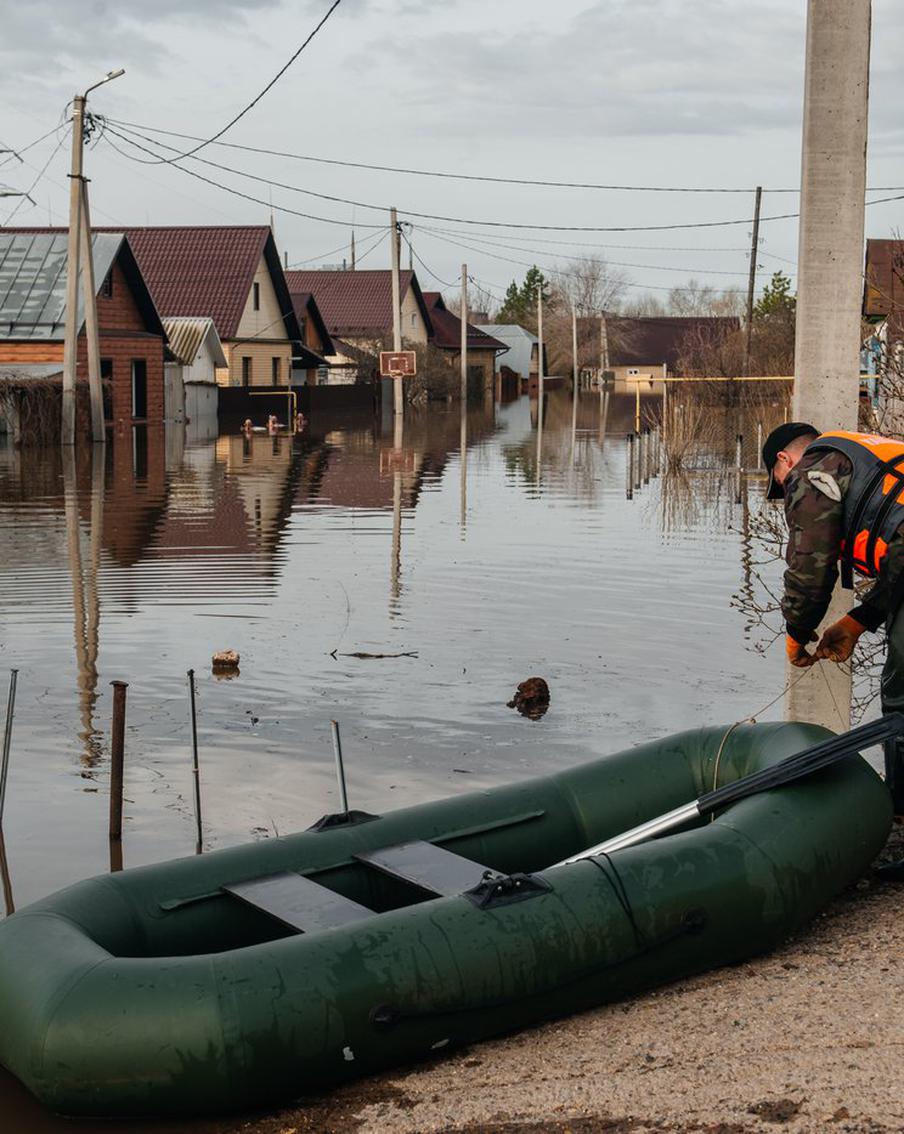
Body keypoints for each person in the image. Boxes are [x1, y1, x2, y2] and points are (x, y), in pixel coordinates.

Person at [763, 421, 904, 820]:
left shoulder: (810, 470)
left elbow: (811, 563)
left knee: (902, 694)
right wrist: (857, 621)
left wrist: (797, 630)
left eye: (779, 483)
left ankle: (899, 813)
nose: (785, 492)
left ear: (784, 460)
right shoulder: (863, 454)